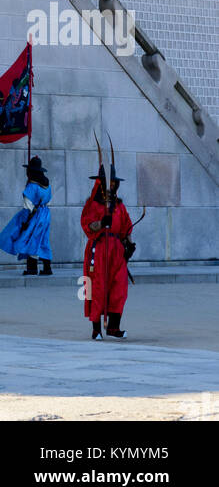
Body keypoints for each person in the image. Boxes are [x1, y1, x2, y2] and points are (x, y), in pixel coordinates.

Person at [81, 135, 134, 339]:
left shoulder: (119, 205)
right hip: (99, 250)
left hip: (117, 251)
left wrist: (129, 244)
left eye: (114, 183)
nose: (112, 187)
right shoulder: (93, 205)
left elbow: (127, 226)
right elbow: (87, 225)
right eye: (108, 183)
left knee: (119, 287)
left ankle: (113, 327)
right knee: (97, 288)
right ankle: (96, 328)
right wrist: (101, 223)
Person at [0, 155, 53, 275]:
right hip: (45, 214)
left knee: (30, 239)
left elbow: (28, 205)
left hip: (34, 216)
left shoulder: (31, 186)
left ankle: (32, 269)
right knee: (43, 240)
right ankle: (47, 268)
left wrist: (25, 221)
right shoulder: (47, 186)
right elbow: (49, 201)